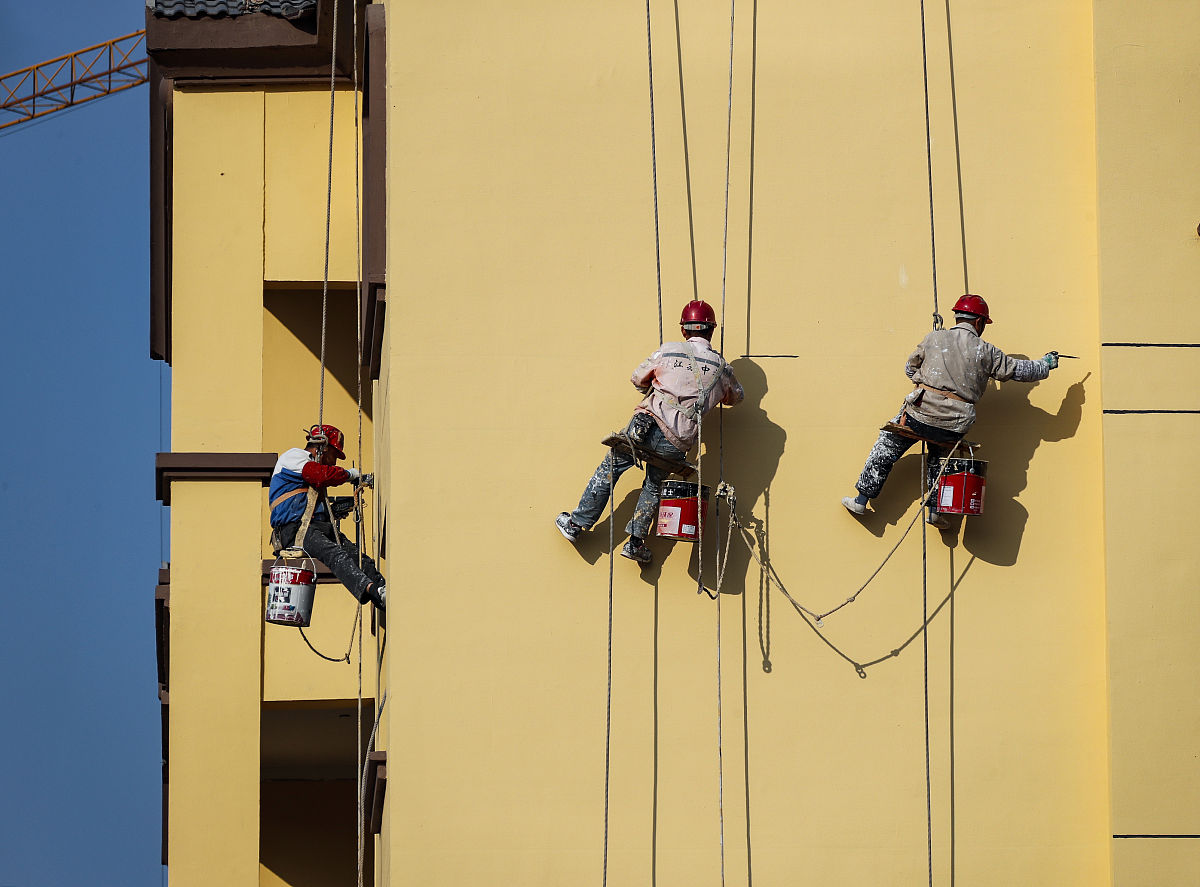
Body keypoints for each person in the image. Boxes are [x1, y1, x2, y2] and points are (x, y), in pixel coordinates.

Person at [841, 294, 1058, 529]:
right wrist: (1045, 364)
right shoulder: (986, 351)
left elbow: (910, 367)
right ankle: (935, 511)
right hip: (954, 425)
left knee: (887, 445)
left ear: (958, 317)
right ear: (979, 322)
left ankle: (862, 500)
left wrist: (926, 385)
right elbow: (1020, 371)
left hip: (920, 414)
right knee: (940, 460)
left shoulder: (935, 337)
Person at [556, 300, 744, 565]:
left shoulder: (669, 351)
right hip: (677, 441)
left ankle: (577, 524)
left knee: (611, 468)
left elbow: (637, 378)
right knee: (654, 487)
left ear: (684, 331)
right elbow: (736, 397)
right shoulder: (722, 369)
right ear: (711, 330)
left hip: (646, 424)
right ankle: (635, 544)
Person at [270, 424, 386, 608]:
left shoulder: (310, 474)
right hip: (295, 529)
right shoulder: (295, 457)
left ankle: (383, 591)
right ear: (322, 447)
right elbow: (319, 474)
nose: (334, 461)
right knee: (335, 555)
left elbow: (313, 494)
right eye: (334, 455)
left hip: (311, 526)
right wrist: (348, 475)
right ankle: (371, 590)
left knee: (357, 557)